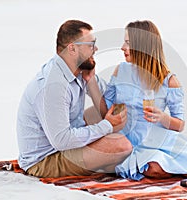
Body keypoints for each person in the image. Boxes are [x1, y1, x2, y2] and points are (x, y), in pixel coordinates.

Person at [103, 20, 187, 180]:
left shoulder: (169, 81)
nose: (122, 48)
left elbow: (179, 125)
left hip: (159, 139)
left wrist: (163, 118)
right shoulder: (120, 70)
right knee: (153, 169)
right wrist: (90, 85)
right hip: (128, 140)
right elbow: (106, 106)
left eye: (128, 43)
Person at [16, 20, 132, 178]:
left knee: (118, 111)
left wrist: (91, 82)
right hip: (45, 160)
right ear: (72, 48)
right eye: (91, 45)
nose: (95, 49)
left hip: (66, 143)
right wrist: (107, 126)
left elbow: (113, 99)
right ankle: (109, 161)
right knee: (121, 146)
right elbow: (62, 141)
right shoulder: (53, 85)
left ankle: (108, 161)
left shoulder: (79, 70)